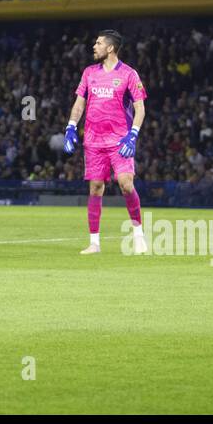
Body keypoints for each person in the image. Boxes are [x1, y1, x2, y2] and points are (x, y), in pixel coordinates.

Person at [61, 29, 149, 255]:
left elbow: (140, 108)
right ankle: (94, 243)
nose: (94, 47)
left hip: (120, 140)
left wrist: (133, 134)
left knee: (125, 183)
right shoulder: (89, 73)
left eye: (98, 43)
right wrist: (71, 126)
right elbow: (79, 103)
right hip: (93, 140)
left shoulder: (129, 74)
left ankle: (138, 234)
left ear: (110, 48)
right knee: (96, 187)